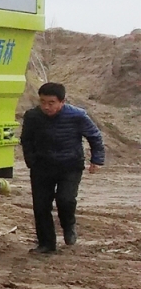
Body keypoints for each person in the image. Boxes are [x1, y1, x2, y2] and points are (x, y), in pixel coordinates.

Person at [20, 82, 105, 253]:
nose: (46, 107)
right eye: (43, 102)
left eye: (51, 103)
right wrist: (31, 160)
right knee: (41, 205)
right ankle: (46, 244)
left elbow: (94, 136)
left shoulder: (77, 116)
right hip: (42, 166)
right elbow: (26, 139)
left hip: (70, 166)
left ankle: (68, 225)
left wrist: (97, 160)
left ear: (62, 101)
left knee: (65, 200)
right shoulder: (32, 116)